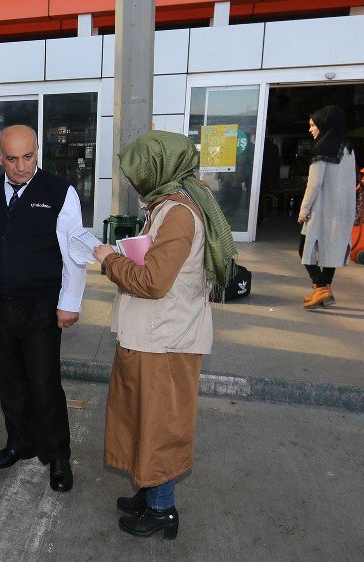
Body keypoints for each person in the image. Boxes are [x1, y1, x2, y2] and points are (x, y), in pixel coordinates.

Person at [92, 130, 236, 540]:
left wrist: (109, 260)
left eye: (137, 172)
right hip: (151, 336)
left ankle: (162, 510)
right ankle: (150, 492)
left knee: (161, 427)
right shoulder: (167, 205)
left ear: (160, 169)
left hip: (166, 341)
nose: (131, 181)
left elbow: (153, 281)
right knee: (144, 420)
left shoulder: (178, 213)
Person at [0, 125, 87, 493]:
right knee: (7, 379)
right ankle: (21, 441)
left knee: (44, 383)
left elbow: (74, 252)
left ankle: (58, 455)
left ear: (37, 153)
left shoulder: (61, 193)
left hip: (41, 306)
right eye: (12, 159)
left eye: (28, 157)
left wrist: (69, 302)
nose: (21, 166)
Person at [298, 105, 357, 309]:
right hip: (341, 210)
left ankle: (321, 288)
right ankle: (324, 291)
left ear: (323, 125)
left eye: (313, 125)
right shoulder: (347, 148)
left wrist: (303, 211)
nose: (310, 129)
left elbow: (314, 184)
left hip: (321, 210)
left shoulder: (321, 149)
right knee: (330, 249)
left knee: (304, 249)